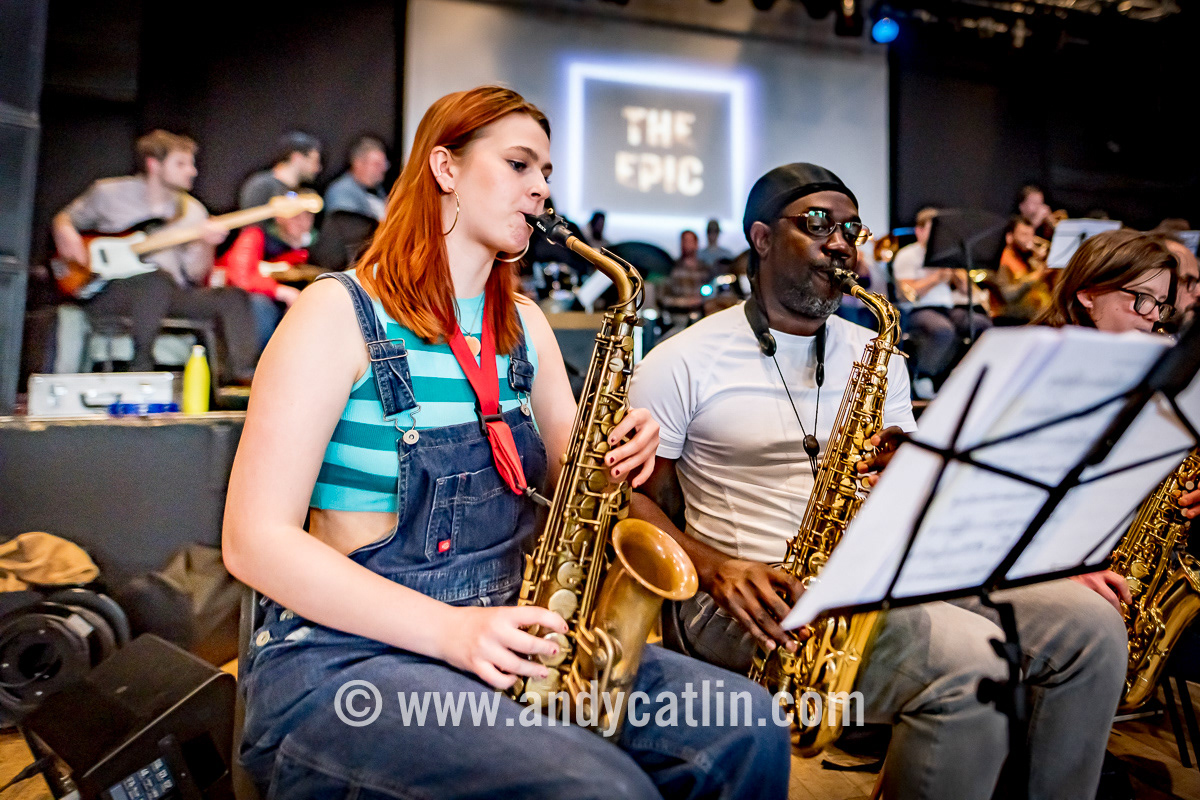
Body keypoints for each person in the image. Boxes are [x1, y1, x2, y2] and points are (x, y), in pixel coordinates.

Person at [223, 86, 788, 799]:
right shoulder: (336, 312)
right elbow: (253, 542)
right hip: (350, 661)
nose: (541, 188)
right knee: (602, 790)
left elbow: (582, 480)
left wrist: (626, 450)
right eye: (519, 165)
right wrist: (452, 632)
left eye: (545, 172)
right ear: (445, 168)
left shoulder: (526, 326)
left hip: (509, 633)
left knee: (749, 723)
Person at [629, 162, 1129, 800]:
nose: (840, 243)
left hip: (874, 581)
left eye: (851, 229)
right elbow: (632, 498)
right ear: (762, 238)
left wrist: (914, 475)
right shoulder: (680, 359)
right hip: (749, 596)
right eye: (818, 224)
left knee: (1091, 628)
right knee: (973, 661)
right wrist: (715, 566)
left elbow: (907, 495)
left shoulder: (878, 352)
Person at [52, 129, 258, 382]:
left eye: (191, 164)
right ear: (154, 165)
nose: (192, 171)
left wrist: (205, 244)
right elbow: (65, 218)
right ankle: (141, 367)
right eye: (181, 164)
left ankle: (242, 376)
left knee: (232, 297)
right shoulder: (108, 193)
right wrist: (64, 230)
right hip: (109, 290)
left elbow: (195, 275)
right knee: (155, 281)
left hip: (169, 294)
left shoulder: (193, 211)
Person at [891, 206, 992, 392]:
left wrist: (958, 273)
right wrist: (936, 278)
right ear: (919, 231)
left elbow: (966, 290)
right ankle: (924, 376)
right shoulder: (907, 255)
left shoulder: (947, 254)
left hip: (947, 307)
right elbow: (907, 293)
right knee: (942, 330)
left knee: (980, 324)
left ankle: (963, 374)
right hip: (917, 308)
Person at [213, 190, 309, 350]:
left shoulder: (303, 252)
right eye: (295, 216)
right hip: (230, 299)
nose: (302, 222)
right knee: (260, 306)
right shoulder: (255, 234)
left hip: (277, 310)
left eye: (307, 216)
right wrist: (280, 291)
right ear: (279, 216)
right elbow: (240, 277)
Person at [239, 131, 322, 210]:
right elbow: (252, 218)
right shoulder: (262, 186)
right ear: (297, 157)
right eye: (314, 161)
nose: (318, 168)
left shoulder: (300, 192)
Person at [994, 215, 1051, 323]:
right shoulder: (1005, 263)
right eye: (1024, 235)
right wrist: (1035, 277)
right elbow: (1007, 296)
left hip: (1036, 317)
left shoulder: (1027, 258)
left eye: (1031, 235)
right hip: (1017, 321)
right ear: (1009, 237)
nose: (1029, 240)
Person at [322, 135, 390, 222]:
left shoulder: (379, 191)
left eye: (384, 164)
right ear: (358, 164)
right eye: (377, 164)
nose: (383, 169)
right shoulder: (341, 192)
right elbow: (348, 225)